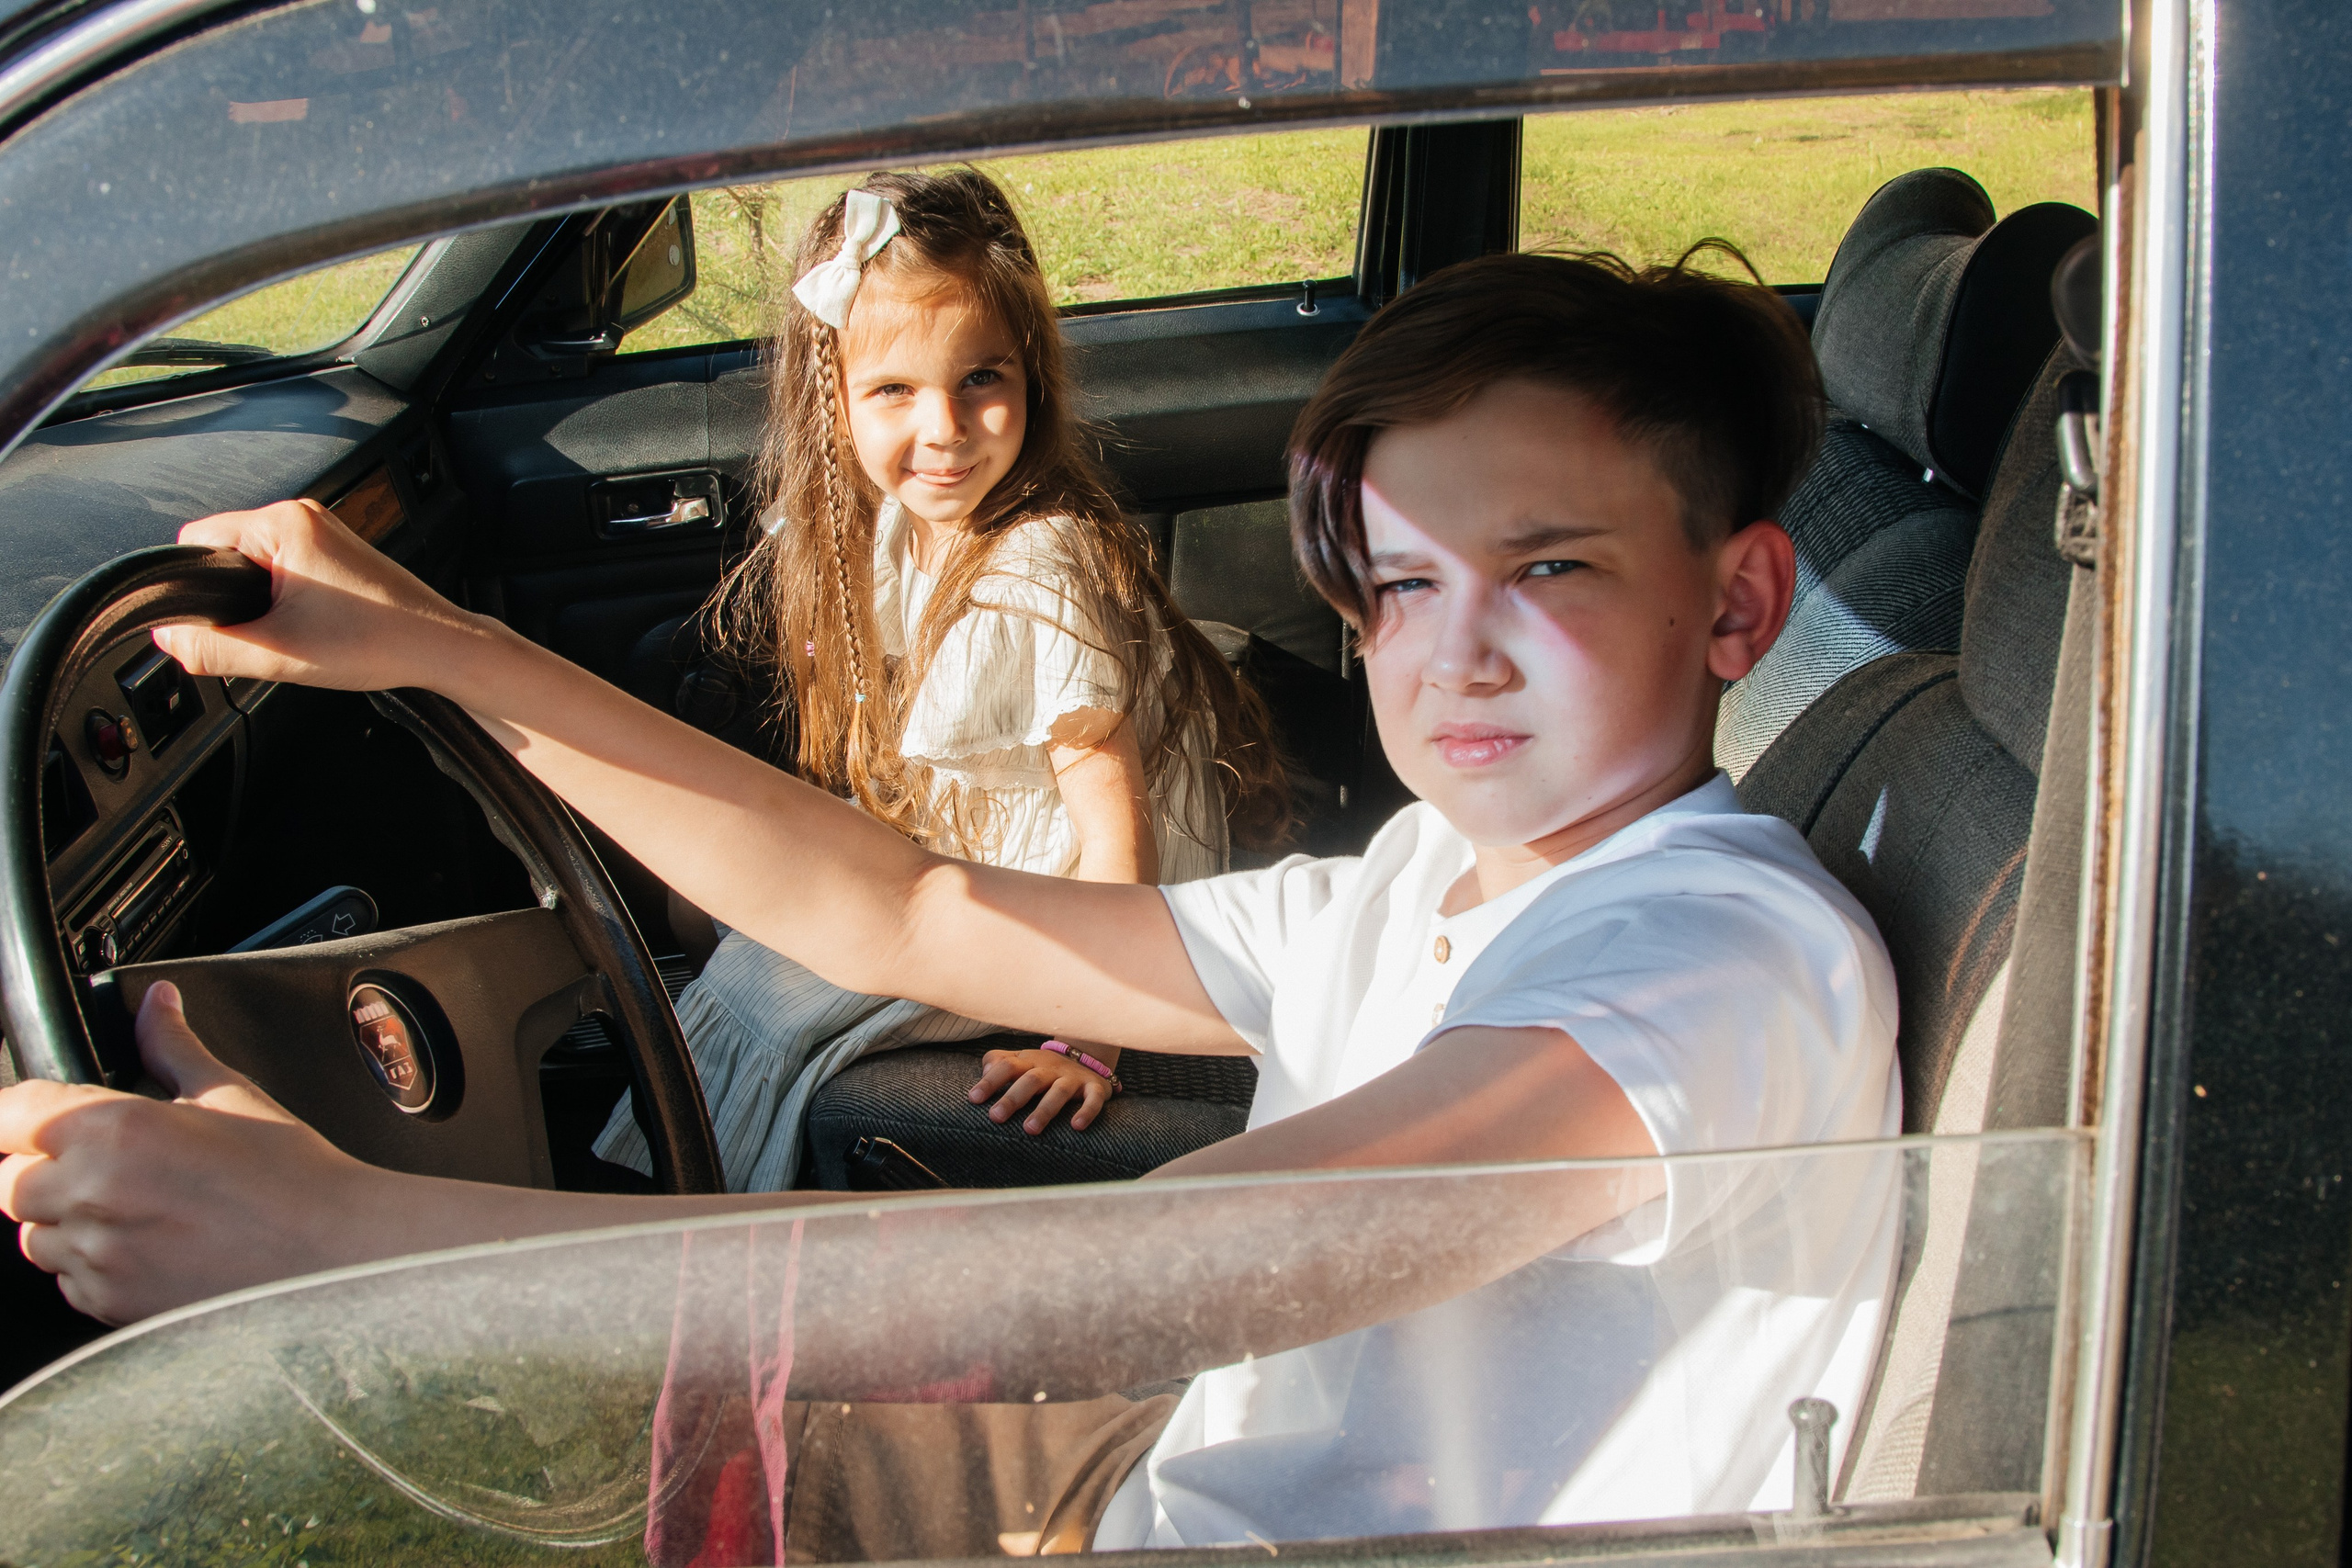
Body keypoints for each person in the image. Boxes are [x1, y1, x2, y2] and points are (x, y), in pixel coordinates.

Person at [0, 249, 1902, 1558]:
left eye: (1547, 569)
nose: (1455, 652)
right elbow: (904, 909)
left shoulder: (1710, 948)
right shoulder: (1420, 885)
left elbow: (1162, 1273)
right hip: (1190, 1490)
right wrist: (450, 650)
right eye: (1402, 585)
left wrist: (341, 1241)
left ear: (1736, 603)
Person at [594, 168, 1286, 1190]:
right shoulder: (901, 527)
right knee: (712, 915)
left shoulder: (1039, 567)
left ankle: (686, 1211)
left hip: (1056, 911)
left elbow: (1116, 835)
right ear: (833, 403)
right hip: (972, 857)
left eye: (980, 378)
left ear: (1030, 373)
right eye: (894, 390)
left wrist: (1087, 1041)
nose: (946, 429)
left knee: (761, 991)